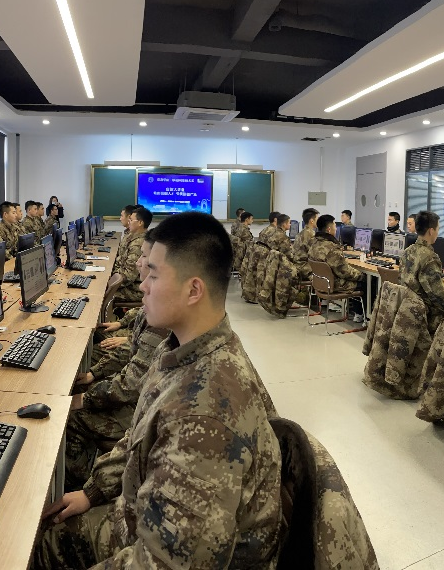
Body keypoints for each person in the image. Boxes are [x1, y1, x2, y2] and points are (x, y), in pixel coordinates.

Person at [36, 212, 282, 569]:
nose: (142, 286)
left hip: (155, 542)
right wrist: (93, 491)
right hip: (141, 507)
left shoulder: (206, 417)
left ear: (193, 290)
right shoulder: (180, 348)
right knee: (52, 528)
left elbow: (167, 563)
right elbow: (138, 434)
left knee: (43, 546)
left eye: (153, 274)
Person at [64, 229, 169, 490]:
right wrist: (94, 374)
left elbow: (130, 385)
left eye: (145, 259)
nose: (138, 263)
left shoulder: (163, 317)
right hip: (142, 402)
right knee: (82, 376)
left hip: (140, 412)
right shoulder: (156, 304)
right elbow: (133, 351)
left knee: (69, 418)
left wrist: (84, 399)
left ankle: (75, 486)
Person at [401, 210, 444, 334]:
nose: (438, 232)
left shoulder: (407, 251)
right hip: (425, 316)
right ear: (431, 231)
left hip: (407, 310)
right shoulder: (430, 257)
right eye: (438, 229)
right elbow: (439, 295)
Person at [308, 215, 365, 318]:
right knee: (366, 282)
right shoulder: (332, 248)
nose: (336, 228)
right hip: (333, 284)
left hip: (320, 282)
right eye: (335, 225)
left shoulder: (314, 243)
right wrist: (361, 275)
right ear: (329, 229)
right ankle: (361, 315)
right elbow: (344, 272)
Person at [111, 206, 151, 303]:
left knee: (100, 293)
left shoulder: (139, 244)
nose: (129, 222)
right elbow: (121, 262)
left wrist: (108, 282)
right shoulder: (133, 237)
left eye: (131, 220)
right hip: (128, 284)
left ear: (140, 223)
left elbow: (128, 277)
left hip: (135, 289)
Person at [292, 208, 319, 279]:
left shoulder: (300, 233)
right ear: (312, 221)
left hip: (297, 266)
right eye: (317, 219)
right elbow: (316, 255)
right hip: (305, 269)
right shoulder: (311, 235)